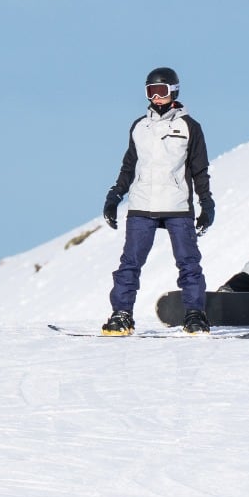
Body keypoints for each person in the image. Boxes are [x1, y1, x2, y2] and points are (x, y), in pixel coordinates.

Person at [101, 66, 215, 335]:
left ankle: (195, 315)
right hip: (142, 205)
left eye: (161, 91)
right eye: (151, 92)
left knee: (188, 263)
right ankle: (121, 314)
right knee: (130, 263)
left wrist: (206, 203)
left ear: (173, 91)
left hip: (177, 206)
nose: (156, 97)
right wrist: (114, 195)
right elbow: (129, 165)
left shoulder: (189, 127)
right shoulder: (140, 126)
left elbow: (199, 169)